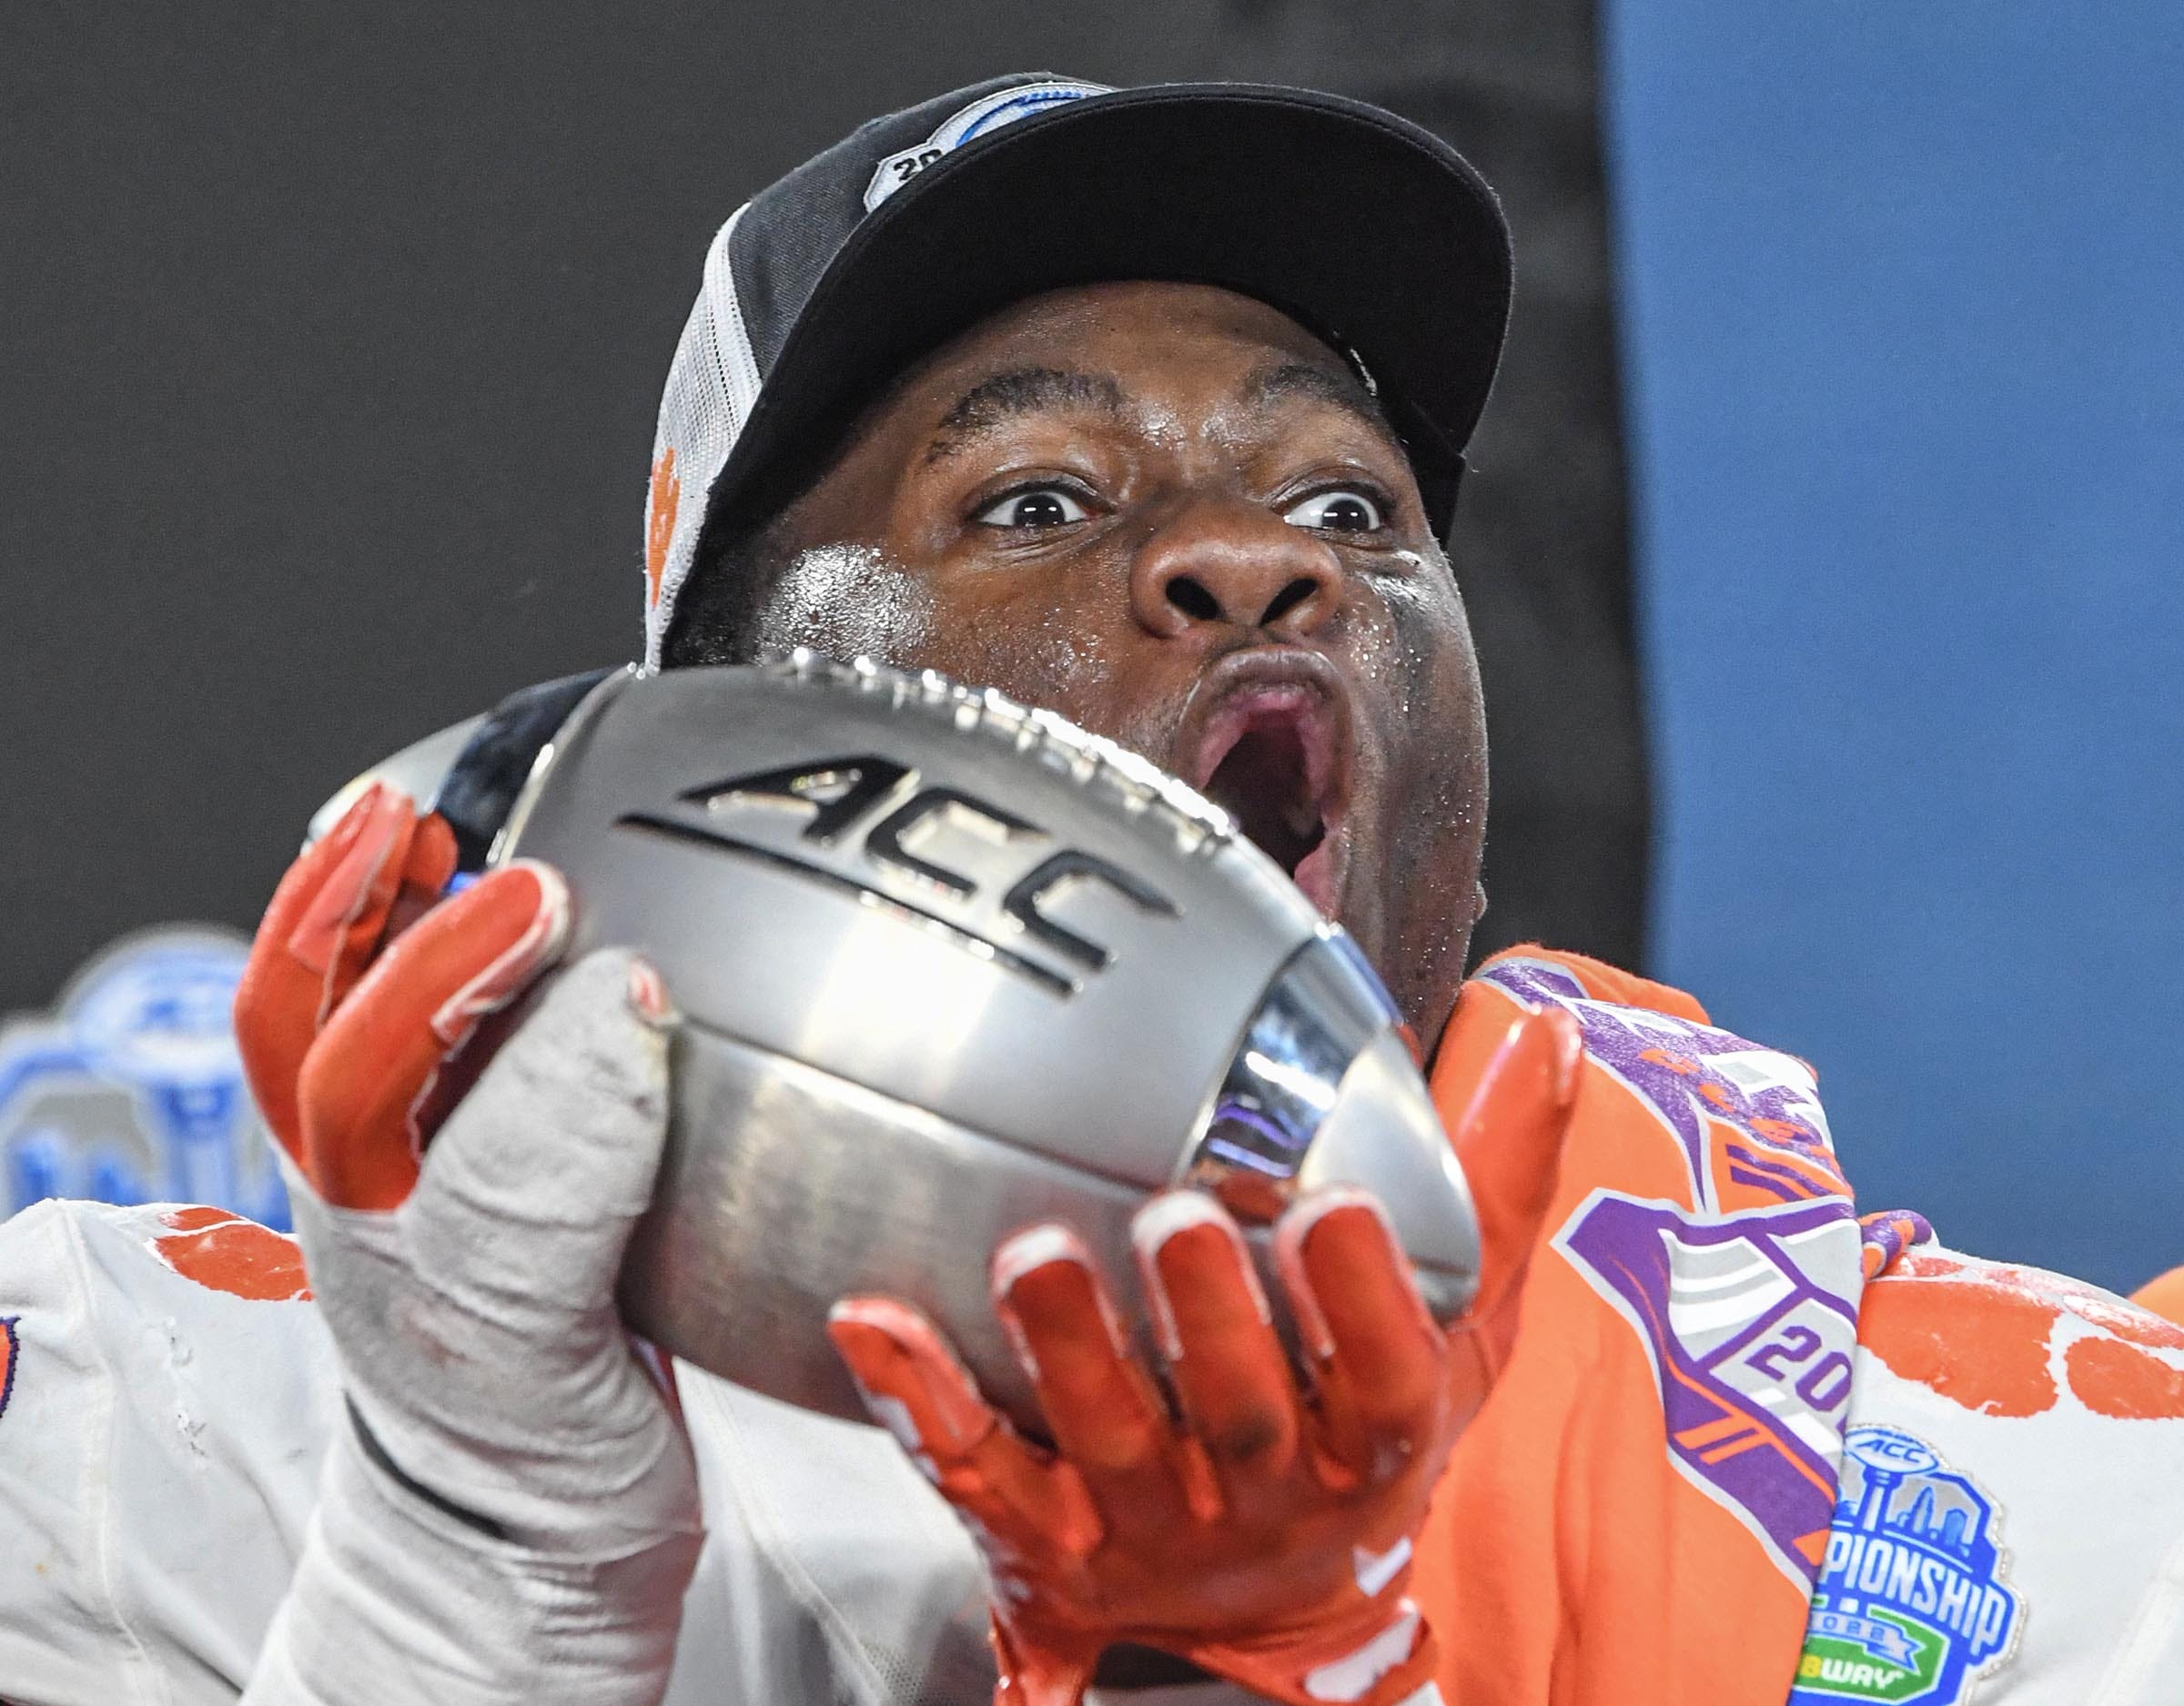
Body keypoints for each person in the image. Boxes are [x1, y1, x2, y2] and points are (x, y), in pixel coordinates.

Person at [3, 74, 2181, 1706]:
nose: (1266, 559)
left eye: (1353, 499)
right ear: (714, 743)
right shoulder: (168, 1410)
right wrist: (478, 1549)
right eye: (1032, 495)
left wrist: (1254, 1654)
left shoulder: (2008, 1474)